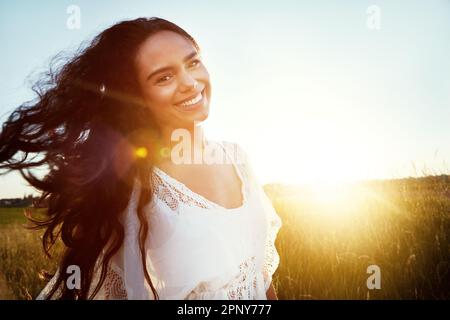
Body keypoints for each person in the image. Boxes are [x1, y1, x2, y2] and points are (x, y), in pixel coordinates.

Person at [0, 17, 282, 300]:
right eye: (164, 77)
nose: (189, 82)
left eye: (193, 62)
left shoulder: (237, 158)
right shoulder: (136, 190)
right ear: (136, 96)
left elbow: (259, 273)